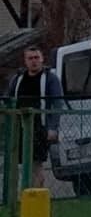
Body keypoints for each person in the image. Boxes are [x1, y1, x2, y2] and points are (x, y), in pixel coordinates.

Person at [6, 46, 63, 187]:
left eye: (36, 57)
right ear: (25, 61)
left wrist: (52, 128)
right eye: (30, 58)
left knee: (36, 165)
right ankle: (24, 197)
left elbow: (57, 103)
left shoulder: (50, 78)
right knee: (21, 165)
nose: (34, 61)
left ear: (42, 59)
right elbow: (9, 99)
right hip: (19, 128)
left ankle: (34, 198)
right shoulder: (18, 79)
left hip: (39, 128)